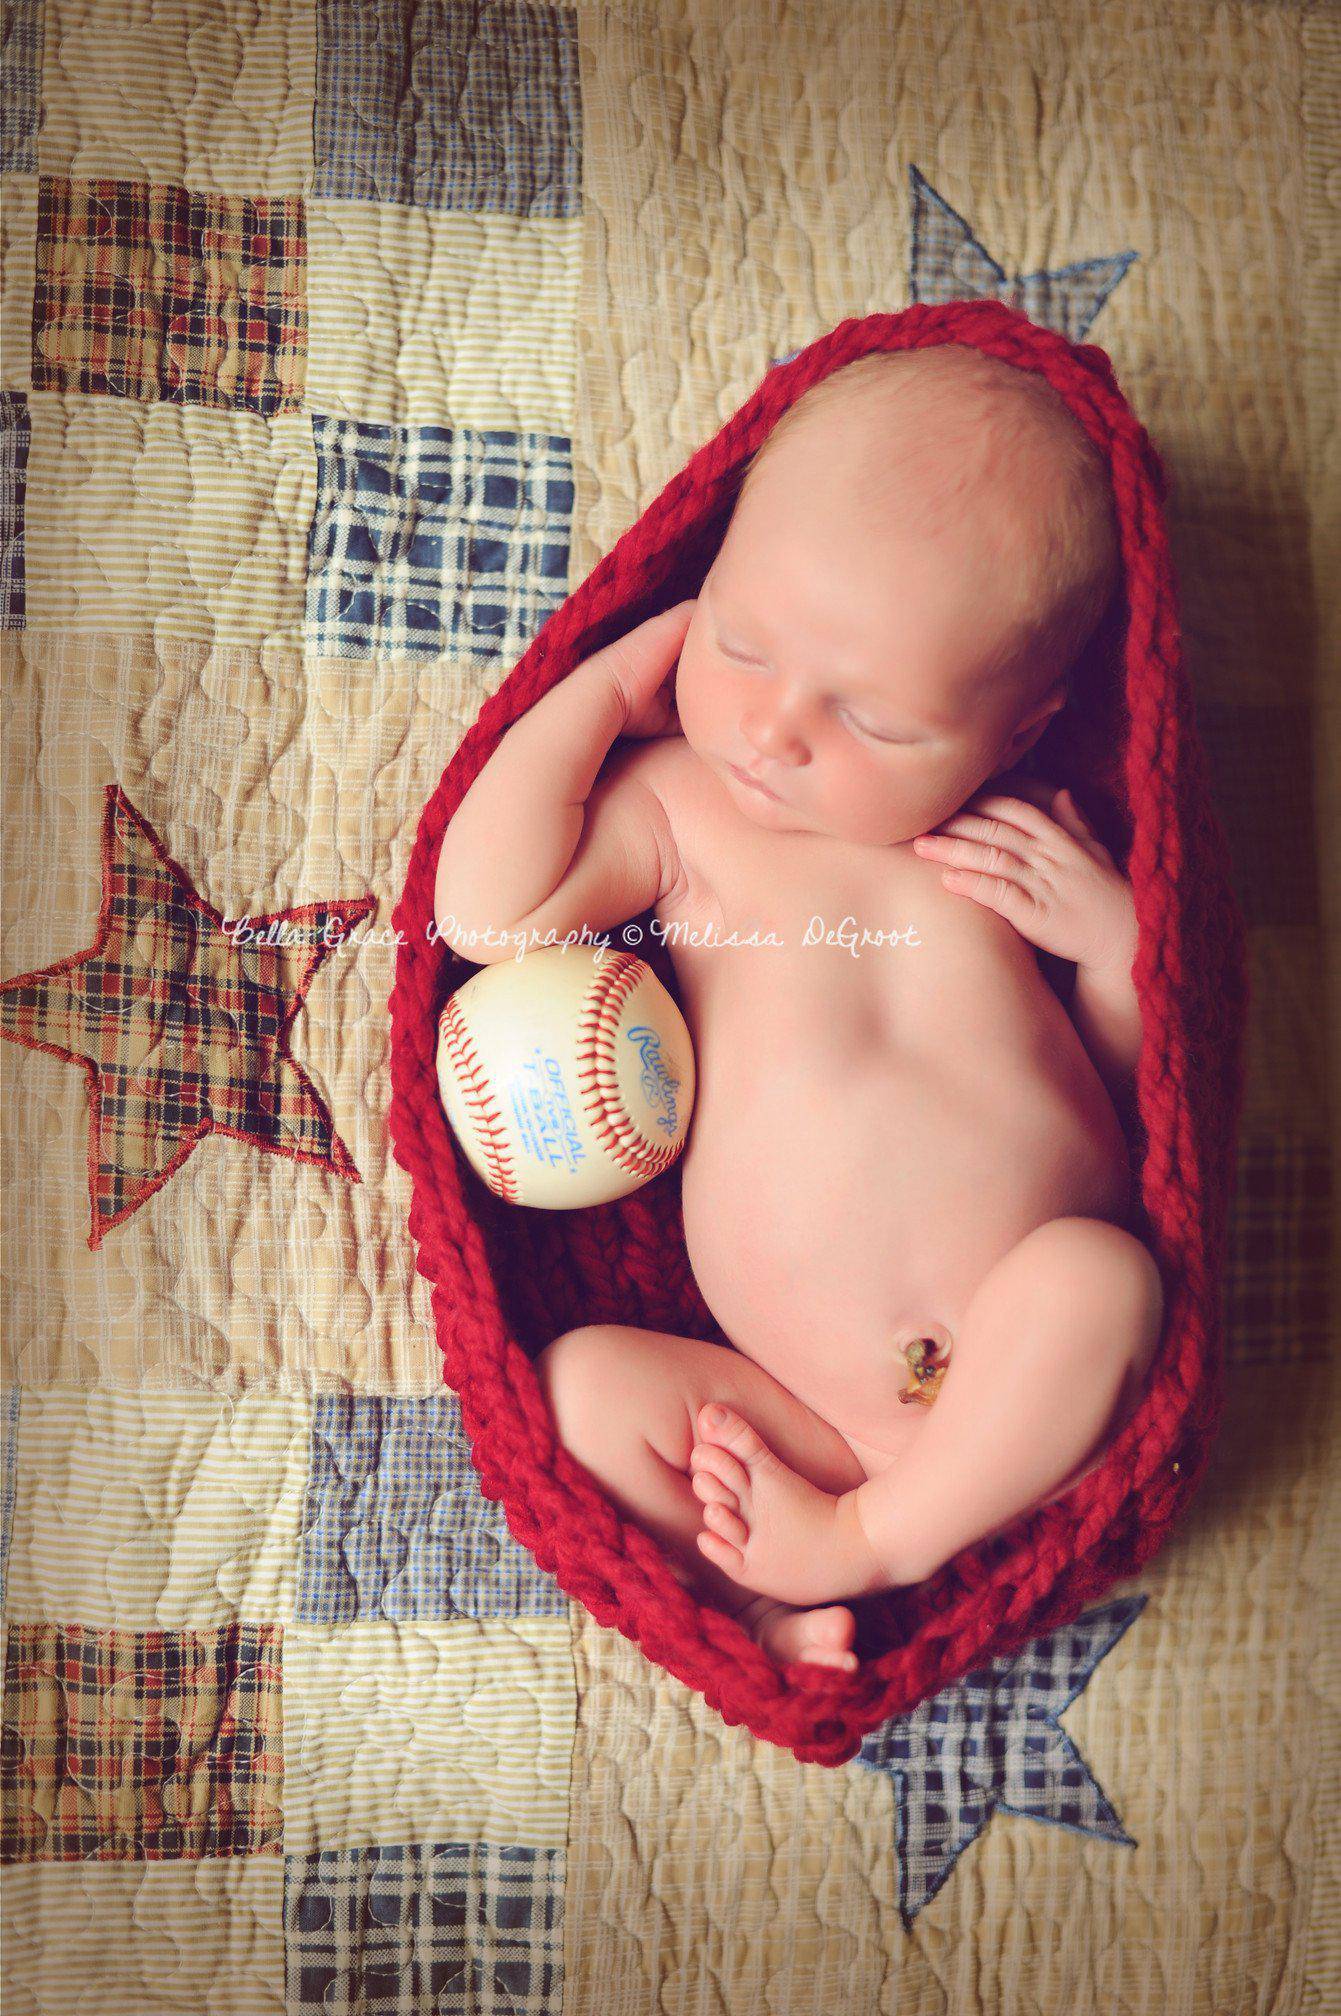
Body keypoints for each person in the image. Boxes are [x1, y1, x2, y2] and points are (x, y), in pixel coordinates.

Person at [435, 343, 1163, 1674]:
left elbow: (1121, 1102)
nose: (772, 730)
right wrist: (600, 693)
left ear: (1011, 732)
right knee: (584, 1394)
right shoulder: (680, 807)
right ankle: (758, 1600)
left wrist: (1114, 954)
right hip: (802, 1427)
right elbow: (487, 918)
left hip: (1018, 1381)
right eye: (740, 642)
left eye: (874, 723)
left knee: (1101, 1281)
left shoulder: (1007, 846)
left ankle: (880, 1539)